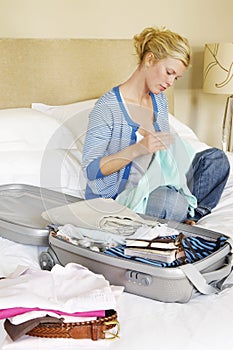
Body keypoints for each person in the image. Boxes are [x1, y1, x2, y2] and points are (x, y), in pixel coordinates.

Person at [82, 26, 230, 224]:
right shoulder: (107, 108)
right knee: (171, 203)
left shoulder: (159, 100)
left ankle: (192, 217)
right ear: (150, 60)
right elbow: (92, 169)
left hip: (158, 182)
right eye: (169, 72)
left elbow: (163, 159)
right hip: (123, 197)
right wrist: (139, 149)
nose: (170, 82)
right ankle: (182, 211)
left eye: (175, 77)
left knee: (216, 160)